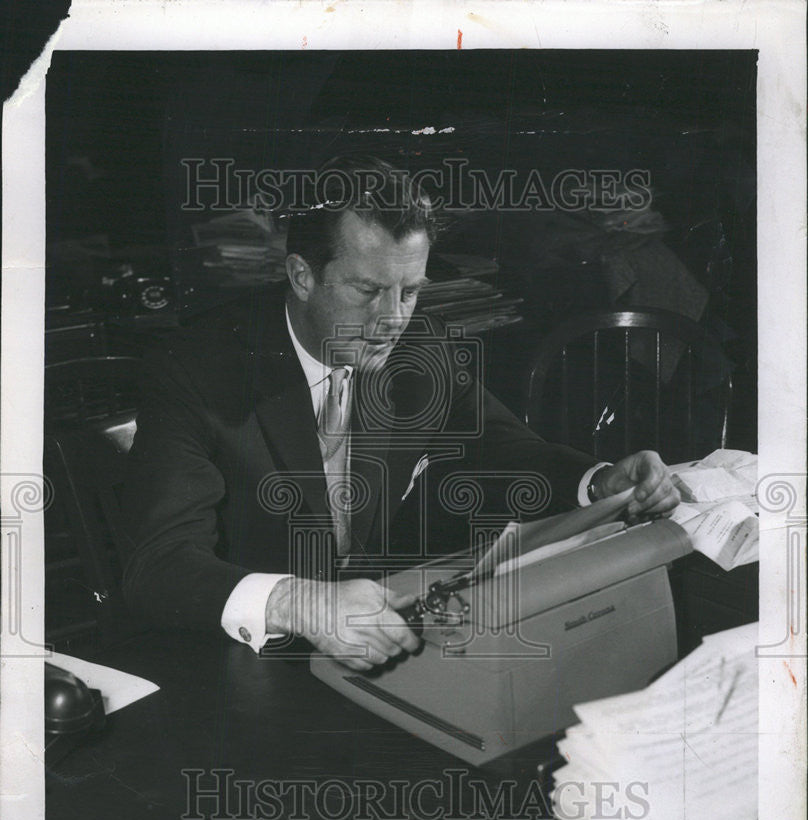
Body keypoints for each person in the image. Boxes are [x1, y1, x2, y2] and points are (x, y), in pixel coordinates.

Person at [122, 155, 679, 671]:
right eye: (367, 290)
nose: (393, 319)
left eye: (410, 291)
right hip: (247, 654)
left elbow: (501, 448)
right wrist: (300, 603)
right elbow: (160, 563)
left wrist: (596, 480)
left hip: (376, 634)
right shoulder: (192, 369)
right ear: (301, 276)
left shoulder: (421, 348)